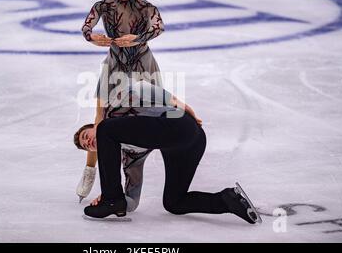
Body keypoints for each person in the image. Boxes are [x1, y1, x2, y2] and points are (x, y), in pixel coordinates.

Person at [75, 80, 261, 224]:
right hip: (186, 145)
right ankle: (228, 200)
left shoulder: (114, 113)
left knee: (106, 129)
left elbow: (141, 87)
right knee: (174, 203)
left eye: (86, 136)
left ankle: (111, 198)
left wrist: (180, 104)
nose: (88, 142)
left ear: (93, 125)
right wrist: (121, 198)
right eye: (87, 146)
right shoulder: (130, 155)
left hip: (179, 122)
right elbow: (132, 200)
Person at [77, 0, 165, 201]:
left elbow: (159, 28)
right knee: (102, 116)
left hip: (142, 63)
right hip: (114, 62)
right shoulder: (104, 5)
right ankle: (90, 169)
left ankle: (131, 178)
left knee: (153, 112)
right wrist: (92, 37)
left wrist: (137, 38)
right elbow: (86, 27)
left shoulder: (147, 7)